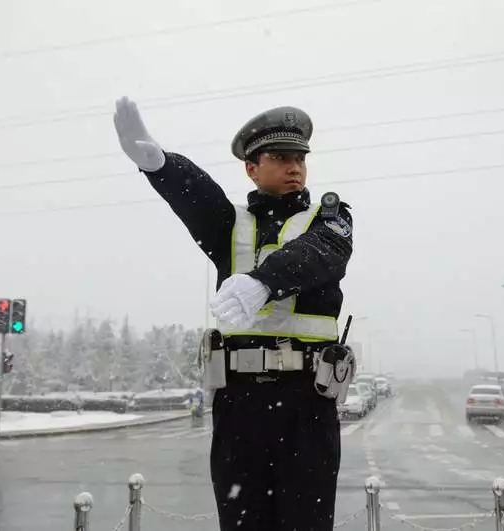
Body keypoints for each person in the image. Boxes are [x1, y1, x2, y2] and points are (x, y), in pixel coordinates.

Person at [113, 98, 354, 531]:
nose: (295, 167)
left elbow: (324, 255)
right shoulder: (231, 226)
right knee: (242, 523)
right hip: (239, 403)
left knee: (306, 522)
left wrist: (262, 281)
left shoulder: (330, 220)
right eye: (281, 157)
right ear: (251, 168)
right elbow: (198, 198)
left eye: (299, 158)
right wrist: (160, 164)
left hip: (306, 402)